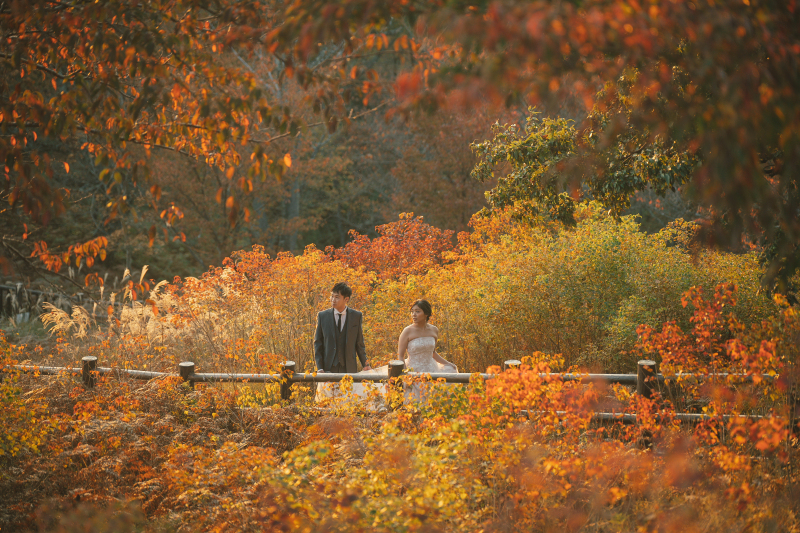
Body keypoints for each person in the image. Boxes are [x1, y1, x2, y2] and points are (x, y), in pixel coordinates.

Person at [396, 299, 457, 401]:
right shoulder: (407, 331)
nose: (413, 315)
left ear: (426, 314)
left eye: (417, 311)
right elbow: (400, 356)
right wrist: (406, 375)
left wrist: (448, 364)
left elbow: (432, 353)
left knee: (436, 399)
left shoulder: (434, 330)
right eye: (412, 311)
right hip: (414, 371)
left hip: (432, 368)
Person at [314, 282, 371, 374]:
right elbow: (318, 343)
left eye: (337, 297)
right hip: (328, 368)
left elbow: (359, 344)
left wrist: (366, 364)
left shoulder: (356, 316)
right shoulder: (323, 316)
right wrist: (319, 368)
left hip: (349, 368)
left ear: (346, 299)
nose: (333, 300)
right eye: (332, 296)